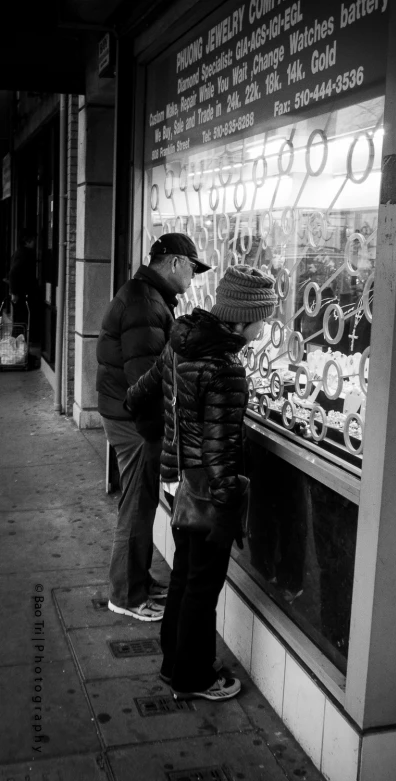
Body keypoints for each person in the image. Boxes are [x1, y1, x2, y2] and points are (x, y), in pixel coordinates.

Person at [126, 264, 277, 700]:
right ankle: (194, 678)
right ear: (244, 317)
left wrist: (164, 443)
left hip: (179, 484)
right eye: (262, 319)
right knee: (201, 589)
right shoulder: (225, 367)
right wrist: (230, 507)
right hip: (208, 495)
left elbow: (139, 394)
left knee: (183, 578)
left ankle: (174, 664)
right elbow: (220, 452)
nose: (262, 329)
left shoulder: (181, 342)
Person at [96, 233, 211, 621]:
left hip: (125, 415)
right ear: (175, 263)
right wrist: (157, 435)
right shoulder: (146, 303)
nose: (193, 277)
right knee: (136, 506)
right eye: (193, 268)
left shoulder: (148, 295)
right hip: (134, 423)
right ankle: (126, 594)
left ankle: (137, 581)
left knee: (140, 502)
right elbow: (144, 382)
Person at [9, 230, 38, 334]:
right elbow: (13, 272)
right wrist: (14, 292)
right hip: (21, 293)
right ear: (27, 241)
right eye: (33, 240)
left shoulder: (18, 252)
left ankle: (18, 346)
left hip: (19, 293)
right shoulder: (25, 254)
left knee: (19, 321)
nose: (35, 243)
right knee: (21, 321)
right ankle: (19, 346)